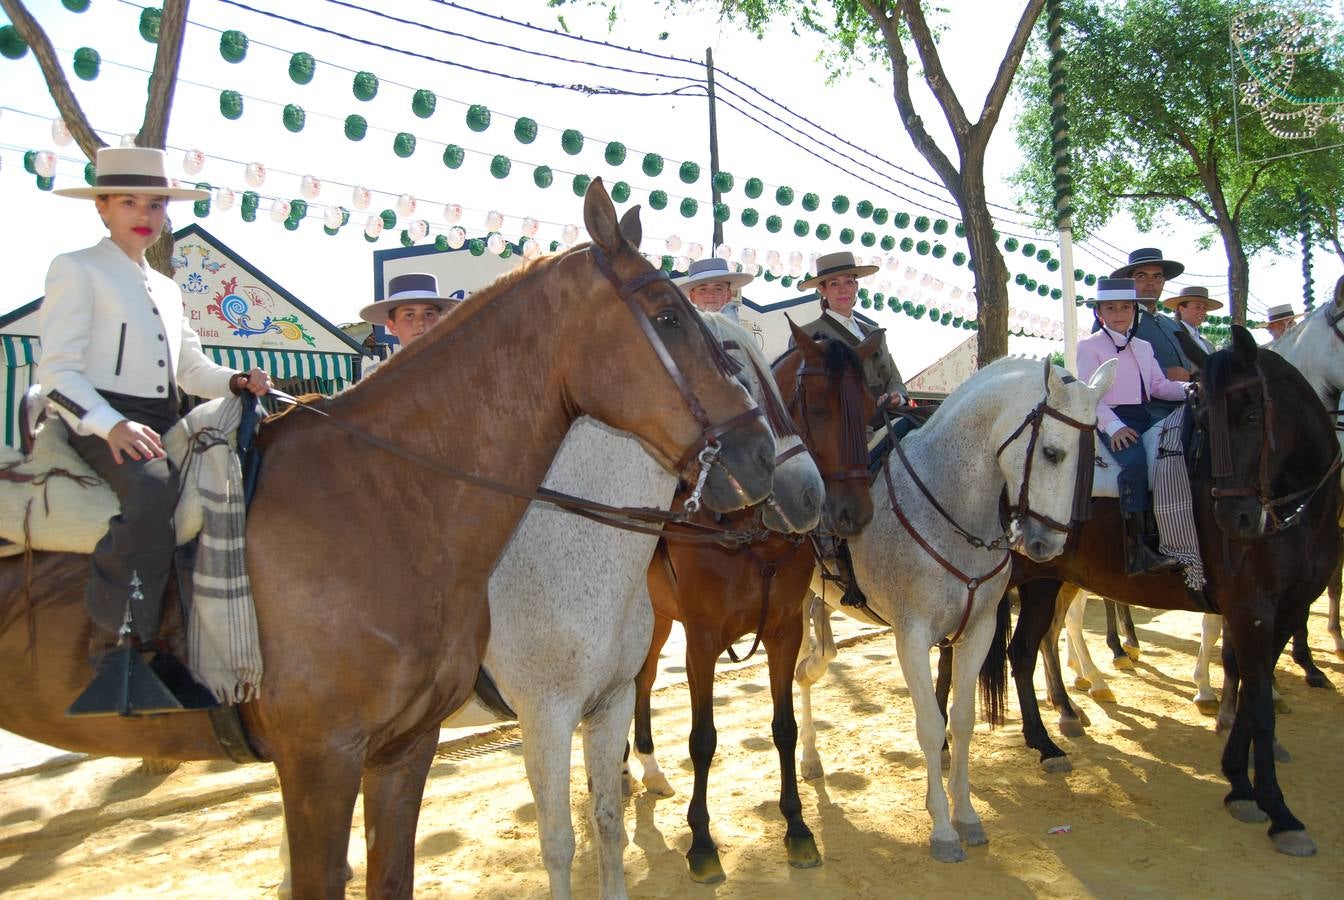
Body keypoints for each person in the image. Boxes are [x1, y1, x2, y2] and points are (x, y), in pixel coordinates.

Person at [39, 146, 272, 715]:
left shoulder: (167, 287)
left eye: (157, 202)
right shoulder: (76, 267)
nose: (145, 212)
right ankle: (117, 643)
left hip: (164, 417)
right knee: (150, 487)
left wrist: (236, 379)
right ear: (102, 207)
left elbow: (191, 370)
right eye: (129, 201)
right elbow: (56, 372)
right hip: (99, 417)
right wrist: (110, 424)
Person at [1076, 278, 1189, 576]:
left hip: (1144, 414)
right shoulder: (1089, 346)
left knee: (1180, 451)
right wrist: (1114, 428)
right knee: (1135, 463)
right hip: (1109, 416)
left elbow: (1159, 386)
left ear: (1134, 310)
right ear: (1099, 313)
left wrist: (1192, 390)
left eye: (1126, 307)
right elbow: (1091, 395)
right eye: (1111, 308)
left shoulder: (1143, 346)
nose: (1119, 313)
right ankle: (1137, 548)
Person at [796, 251, 908, 409]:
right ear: (822, 290)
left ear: (856, 286)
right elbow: (805, 392)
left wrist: (896, 396)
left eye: (849, 282)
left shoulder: (875, 332)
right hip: (844, 426)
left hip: (891, 415)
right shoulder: (806, 335)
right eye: (834, 284)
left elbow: (894, 379)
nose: (843, 290)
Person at [1109, 247, 1191, 419]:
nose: (1150, 282)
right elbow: (1109, 368)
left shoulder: (1172, 324)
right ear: (1128, 281)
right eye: (1141, 276)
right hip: (1141, 415)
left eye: (1157, 276)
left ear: (1163, 282)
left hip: (1187, 407)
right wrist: (1165, 373)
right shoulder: (1115, 321)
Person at [358, 272, 461, 375]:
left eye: (429, 314)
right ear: (392, 326)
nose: (420, 322)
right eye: (409, 315)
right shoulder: (376, 377)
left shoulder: (460, 369)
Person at [674, 257, 752, 320]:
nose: (711, 294)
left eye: (718, 289)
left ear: (728, 295)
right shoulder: (683, 333)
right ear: (692, 297)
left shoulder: (739, 335)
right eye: (703, 289)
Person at [1163, 285, 1221, 355]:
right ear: (1182, 309)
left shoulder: (1208, 345)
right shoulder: (1171, 335)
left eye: (1205, 308)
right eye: (1197, 307)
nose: (1202, 312)